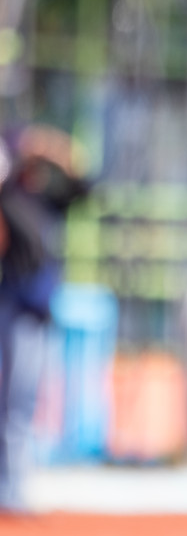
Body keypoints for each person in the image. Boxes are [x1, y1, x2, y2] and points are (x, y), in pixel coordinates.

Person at [0, 125, 90, 514]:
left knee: (25, 400)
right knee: (11, 400)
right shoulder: (10, 196)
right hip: (13, 305)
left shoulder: (44, 200)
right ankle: (8, 486)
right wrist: (25, 150)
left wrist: (60, 151)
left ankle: (15, 484)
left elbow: (85, 188)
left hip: (40, 308)